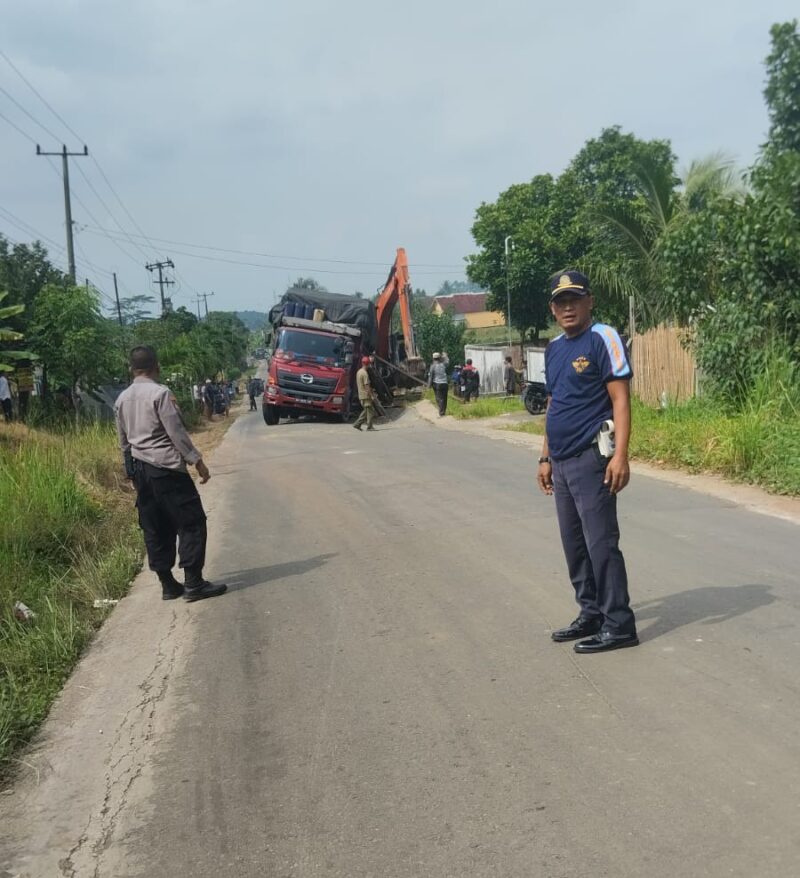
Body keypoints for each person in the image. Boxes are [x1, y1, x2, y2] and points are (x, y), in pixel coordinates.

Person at [536, 270, 637, 653]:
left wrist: (621, 456)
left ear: (589, 301)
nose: (567, 307)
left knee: (601, 544)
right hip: (560, 462)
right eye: (561, 302)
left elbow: (621, 400)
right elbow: (553, 403)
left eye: (574, 299)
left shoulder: (602, 338)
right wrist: (545, 456)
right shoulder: (554, 348)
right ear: (552, 308)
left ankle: (619, 623)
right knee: (574, 545)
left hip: (592, 460)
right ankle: (591, 612)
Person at [115, 346, 226, 603]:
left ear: (132, 369)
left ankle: (168, 585)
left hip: (141, 471)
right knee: (191, 522)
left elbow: (123, 442)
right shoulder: (160, 393)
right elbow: (175, 432)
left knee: (155, 527)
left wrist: (131, 473)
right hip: (166, 469)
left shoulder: (121, 399)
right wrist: (197, 461)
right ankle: (194, 583)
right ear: (156, 366)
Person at [352, 356, 376, 431]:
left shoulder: (359, 372)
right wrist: (371, 395)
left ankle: (357, 424)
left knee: (367, 411)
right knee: (370, 411)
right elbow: (367, 386)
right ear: (368, 364)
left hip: (361, 395)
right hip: (366, 395)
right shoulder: (365, 374)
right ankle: (369, 426)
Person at [427, 352, 449, 416]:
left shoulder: (432, 366)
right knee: (444, 398)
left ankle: (441, 412)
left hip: (437, 384)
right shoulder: (444, 364)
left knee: (439, 398)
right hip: (445, 383)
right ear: (439, 358)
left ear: (433, 358)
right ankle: (443, 411)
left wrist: (429, 386)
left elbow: (431, 376)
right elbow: (447, 361)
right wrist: (445, 355)